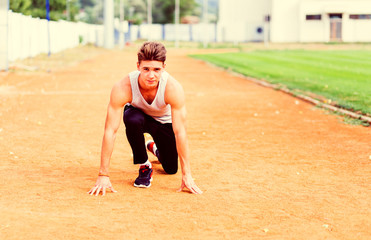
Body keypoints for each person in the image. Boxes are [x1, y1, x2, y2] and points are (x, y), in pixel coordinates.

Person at [88, 41, 202, 196]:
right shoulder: (123, 87)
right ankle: (144, 165)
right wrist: (103, 175)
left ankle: (153, 147)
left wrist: (187, 175)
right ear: (138, 66)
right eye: (146, 69)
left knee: (170, 169)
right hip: (138, 118)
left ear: (164, 67)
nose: (151, 75)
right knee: (131, 118)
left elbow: (180, 132)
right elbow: (110, 130)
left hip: (163, 123)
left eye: (156, 69)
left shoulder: (173, 88)